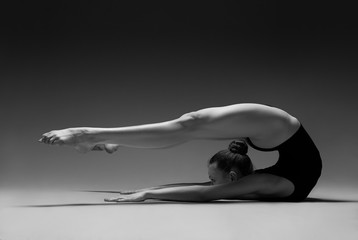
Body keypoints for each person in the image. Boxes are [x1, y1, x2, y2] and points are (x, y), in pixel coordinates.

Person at [39, 103, 322, 202]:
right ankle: (87, 135)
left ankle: (108, 140)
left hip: (270, 133)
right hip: (277, 126)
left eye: (212, 178)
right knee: (189, 123)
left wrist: (151, 187)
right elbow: (205, 194)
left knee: (188, 125)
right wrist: (150, 194)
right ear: (234, 176)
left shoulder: (252, 184)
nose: (209, 181)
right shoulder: (268, 184)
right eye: (213, 178)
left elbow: (200, 188)